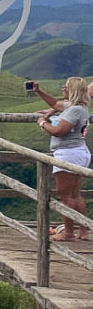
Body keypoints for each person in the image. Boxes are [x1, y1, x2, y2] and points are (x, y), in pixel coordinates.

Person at [36, 76, 91, 241]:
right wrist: (38, 91)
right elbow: (56, 104)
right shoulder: (80, 107)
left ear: (72, 91)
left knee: (65, 195)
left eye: (65, 87)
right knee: (75, 195)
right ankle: (83, 230)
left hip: (68, 153)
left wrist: (42, 123)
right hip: (78, 152)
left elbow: (59, 131)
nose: (63, 89)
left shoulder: (74, 110)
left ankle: (68, 233)